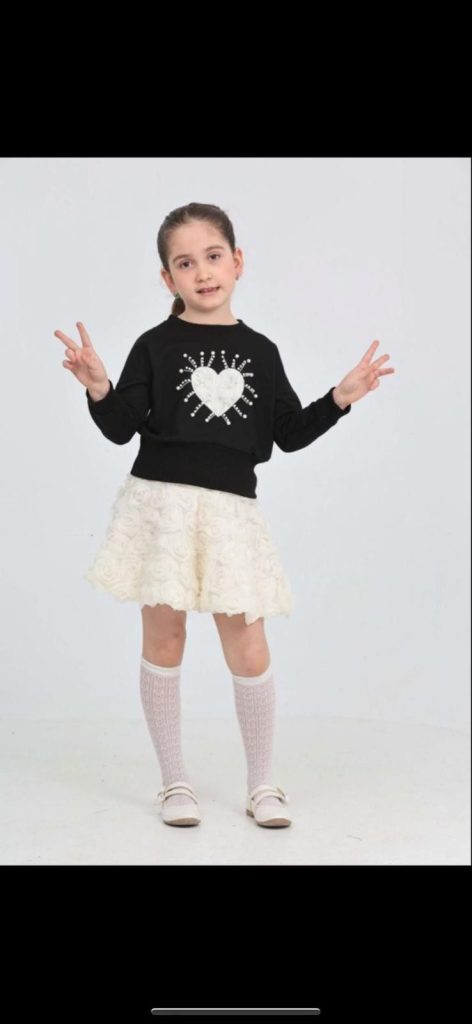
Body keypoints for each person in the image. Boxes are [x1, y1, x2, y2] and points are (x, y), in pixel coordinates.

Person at [54, 202, 395, 830]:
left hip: (231, 513)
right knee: (165, 638)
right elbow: (120, 428)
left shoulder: (261, 352)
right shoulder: (154, 346)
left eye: (213, 257)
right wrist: (99, 387)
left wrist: (339, 399)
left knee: (248, 643)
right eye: (185, 263)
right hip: (161, 507)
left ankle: (262, 783)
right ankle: (174, 782)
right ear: (168, 278)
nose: (203, 272)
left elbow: (288, 434)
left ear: (237, 262)